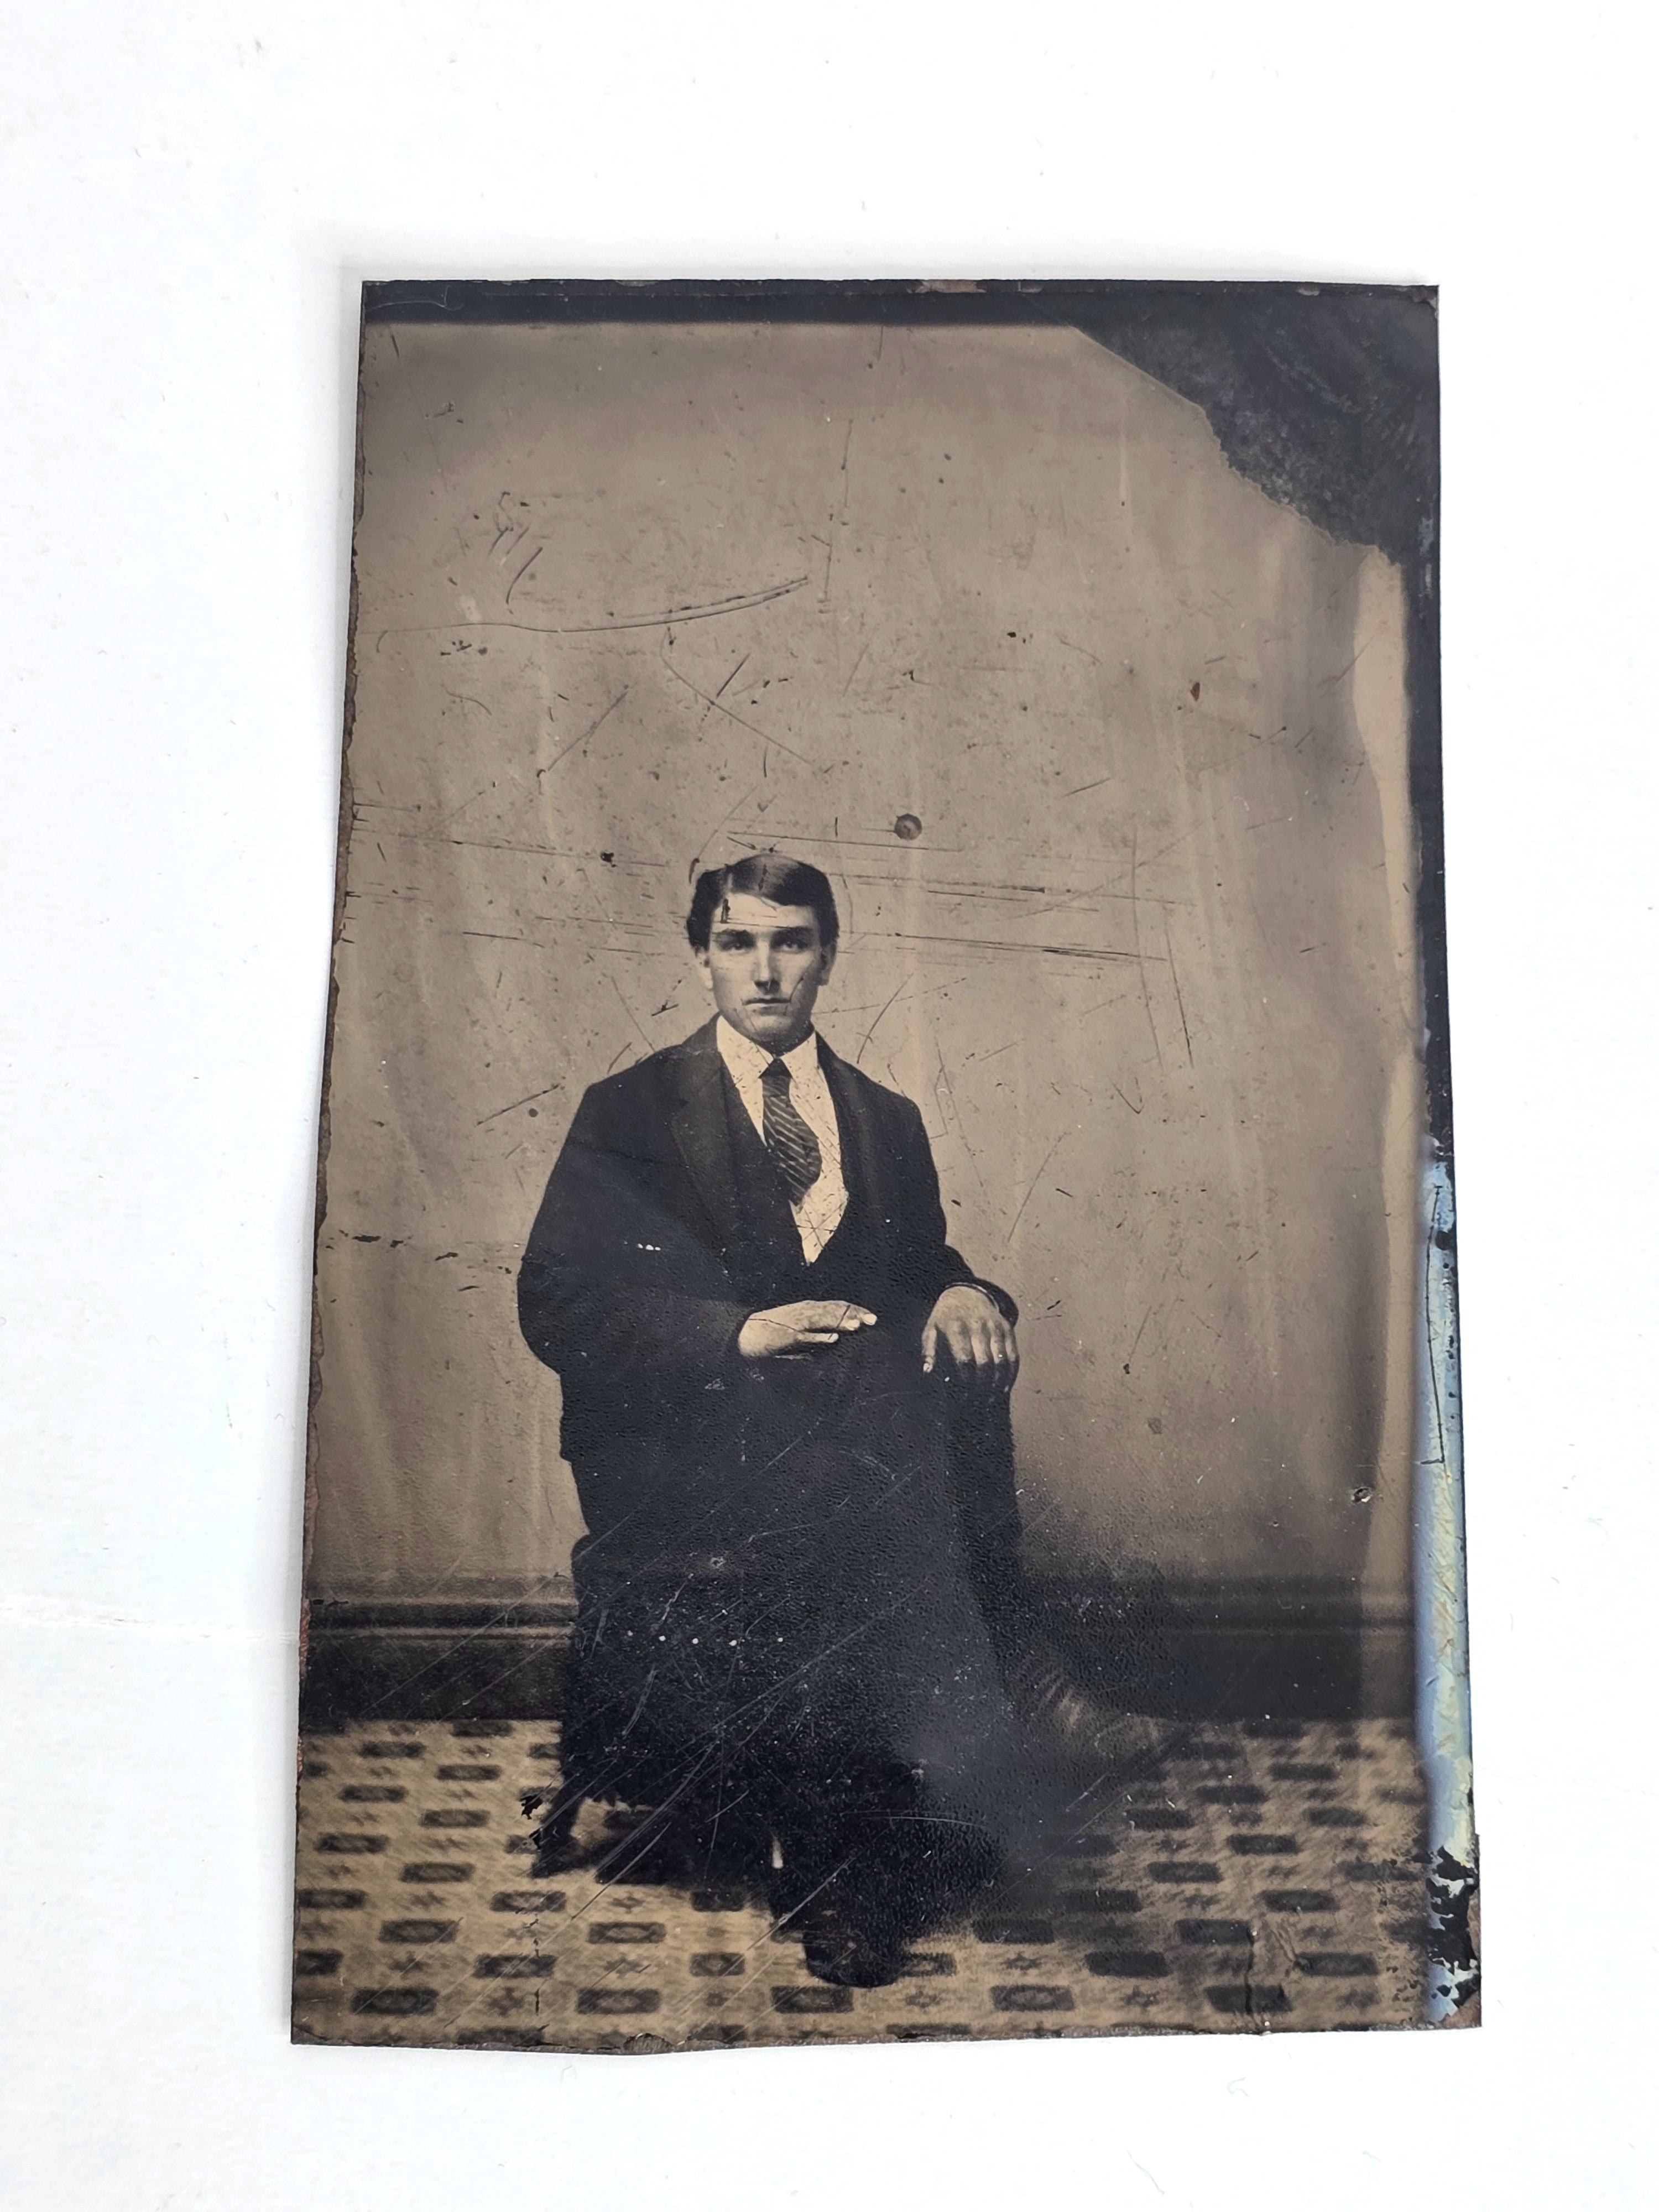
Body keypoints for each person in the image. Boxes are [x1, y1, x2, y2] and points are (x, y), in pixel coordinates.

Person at [517, 853, 1114, 1986]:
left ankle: (849, 1869)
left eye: (791, 941)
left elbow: (914, 1265)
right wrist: (730, 1336)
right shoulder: (632, 1111)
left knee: (875, 1450)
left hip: (844, 1445)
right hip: (687, 1445)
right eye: (739, 942)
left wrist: (959, 1290)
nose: (766, 968)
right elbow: (558, 1302)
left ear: (828, 957)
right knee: (882, 1464)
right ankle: (1008, 1670)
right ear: (704, 955)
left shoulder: (883, 1119)